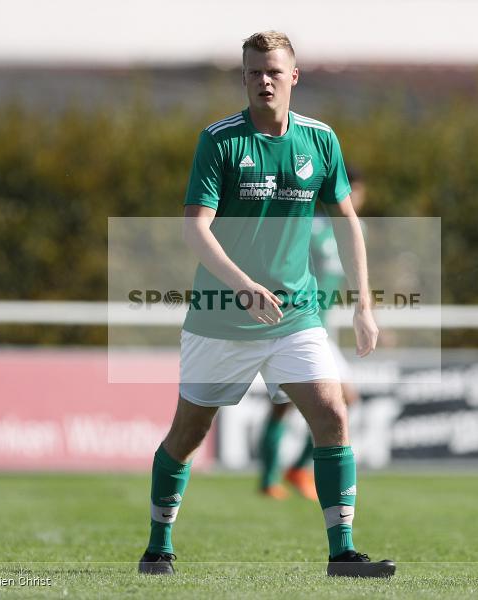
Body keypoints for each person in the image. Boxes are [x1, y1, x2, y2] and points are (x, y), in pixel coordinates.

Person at [137, 31, 395, 578]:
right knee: (189, 433)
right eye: (253, 72)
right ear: (245, 79)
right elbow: (194, 230)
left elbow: (348, 224)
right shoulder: (220, 141)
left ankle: (342, 551)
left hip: (295, 315)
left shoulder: (321, 140)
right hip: (221, 316)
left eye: (274, 71)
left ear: (294, 77)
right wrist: (242, 285)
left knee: (332, 413)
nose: (264, 81)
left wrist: (363, 304)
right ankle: (159, 543)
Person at [259, 167, 367, 501]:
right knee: (288, 405)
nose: (357, 198)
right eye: (352, 191)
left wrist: (367, 313)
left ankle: (291, 471)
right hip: (299, 325)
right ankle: (272, 478)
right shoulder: (311, 226)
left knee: (339, 401)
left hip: (322, 331)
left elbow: (354, 276)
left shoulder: (353, 230)